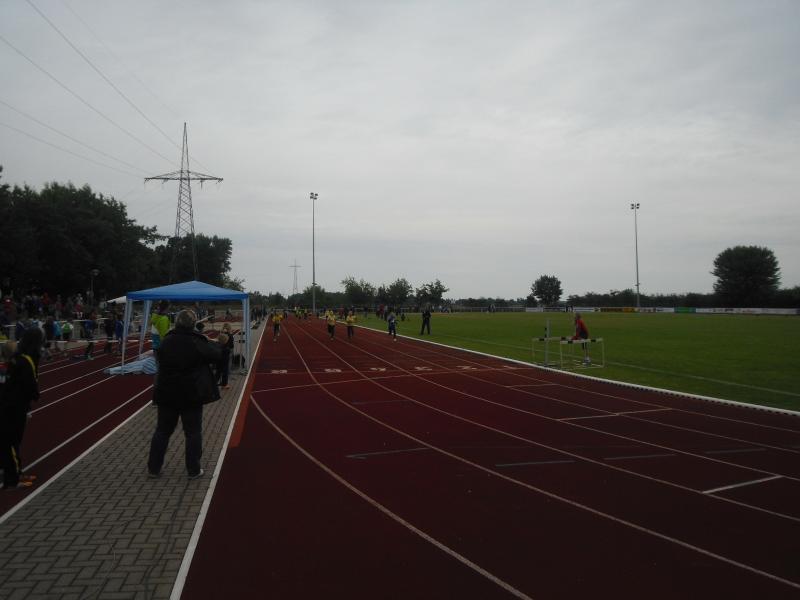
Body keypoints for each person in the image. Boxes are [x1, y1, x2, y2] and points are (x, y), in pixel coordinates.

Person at [147, 309, 223, 480]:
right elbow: (216, 355)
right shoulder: (196, 341)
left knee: (162, 431)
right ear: (193, 324)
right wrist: (210, 341)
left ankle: (153, 468)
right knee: (193, 433)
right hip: (191, 394)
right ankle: (193, 469)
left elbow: (160, 359)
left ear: (177, 322)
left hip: (167, 394)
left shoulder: (166, 341)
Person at [1, 328, 43, 489]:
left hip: (12, 406)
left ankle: (16, 472)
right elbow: (30, 384)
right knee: (11, 442)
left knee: (12, 442)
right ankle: (12, 480)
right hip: (13, 408)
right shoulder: (25, 360)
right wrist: (35, 396)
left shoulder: (17, 359)